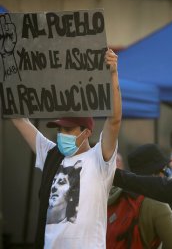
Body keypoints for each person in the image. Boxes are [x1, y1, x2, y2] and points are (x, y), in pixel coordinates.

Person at [11, 49, 122, 248]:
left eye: (68, 129)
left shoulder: (100, 159)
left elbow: (114, 121)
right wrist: (8, 72)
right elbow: (18, 119)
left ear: (87, 132)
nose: (62, 133)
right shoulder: (53, 156)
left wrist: (113, 74)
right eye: (60, 128)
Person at [107, 147, 172, 249]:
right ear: (157, 172)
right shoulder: (157, 203)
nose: (167, 175)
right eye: (165, 170)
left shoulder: (116, 195)